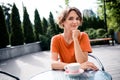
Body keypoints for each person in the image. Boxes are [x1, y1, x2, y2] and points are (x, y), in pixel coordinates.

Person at [50, 7, 98, 71]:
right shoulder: (56, 39)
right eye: (70, 19)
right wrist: (76, 67)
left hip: (82, 74)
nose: (75, 22)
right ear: (62, 22)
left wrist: (75, 39)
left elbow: (82, 62)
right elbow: (53, 64)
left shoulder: (83, 36)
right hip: (65, 74)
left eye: (77, 19)